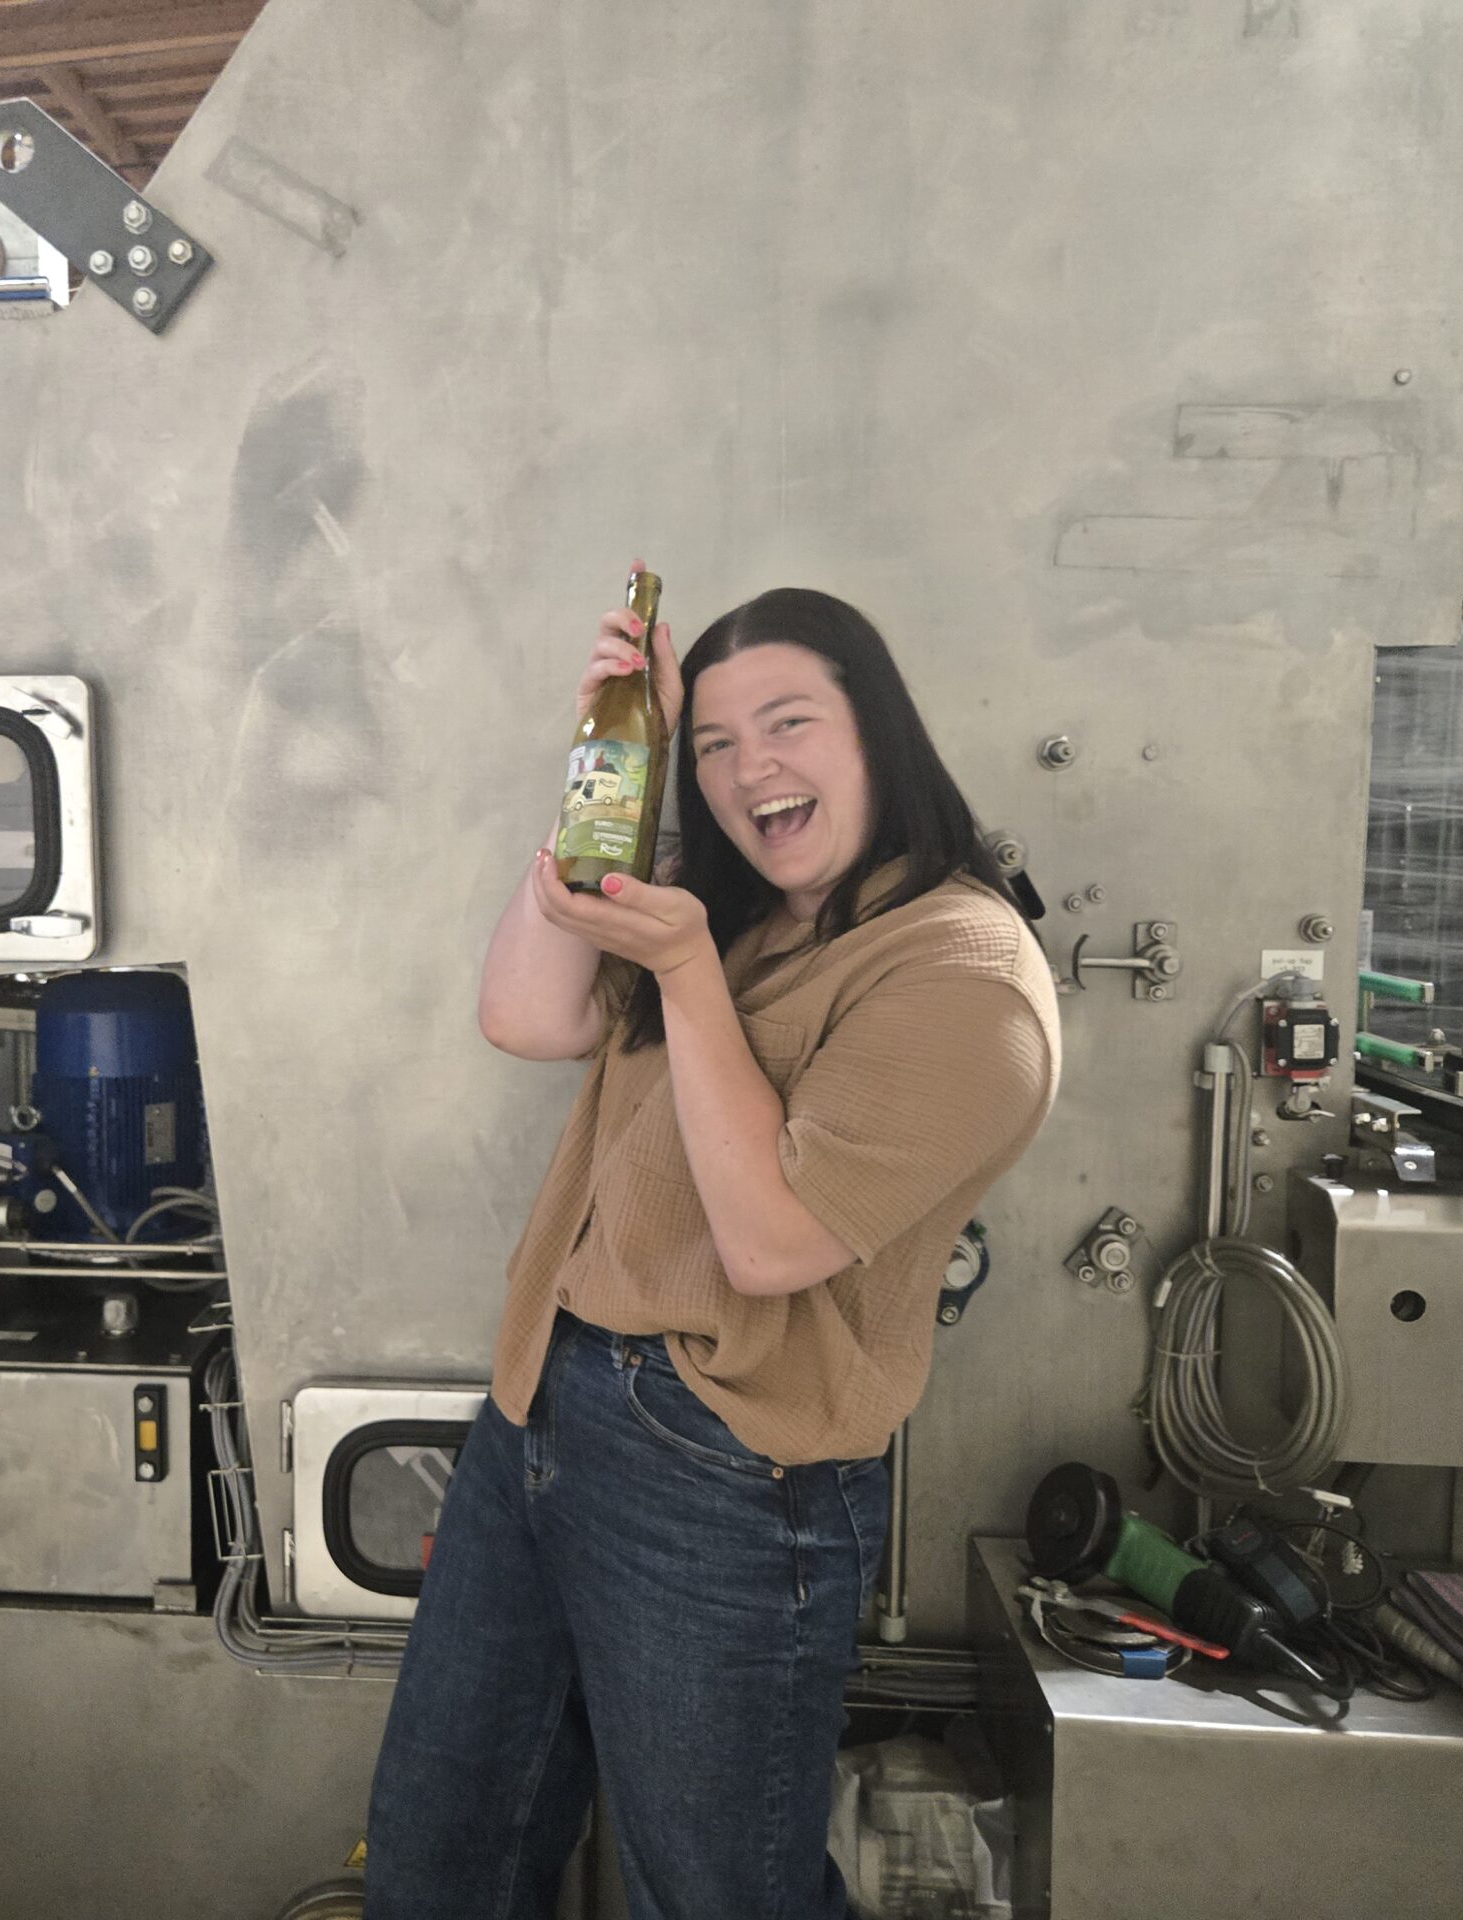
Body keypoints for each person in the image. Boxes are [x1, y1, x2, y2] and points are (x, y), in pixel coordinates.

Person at [362, 580, 1061, 1919]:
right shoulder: (728, 912)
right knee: (446, 1847)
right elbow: (522, 1011)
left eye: (790, 722)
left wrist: (687, 979)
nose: (754, 770)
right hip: (542, 1413)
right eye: (720, 743)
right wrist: (607, 769)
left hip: (727, 1473)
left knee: (719, 1893)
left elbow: (771, 1241)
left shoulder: (965, 976)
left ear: (881, 736)